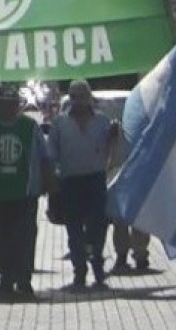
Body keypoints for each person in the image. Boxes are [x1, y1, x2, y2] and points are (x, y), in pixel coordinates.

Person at [0, 84, 50, 298]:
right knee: (2, 239)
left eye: (12, 104)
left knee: (24, 238)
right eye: (3, 104)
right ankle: (6, 280)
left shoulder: (30, 127)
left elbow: (45, 157)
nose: (7, 108)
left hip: (25, 193)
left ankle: (24, 281)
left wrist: (48, 183)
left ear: (18, 105)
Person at [48, 79, 119, 289]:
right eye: (73, 96)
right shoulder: (60, 123)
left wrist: (114, 135)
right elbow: (52, 155)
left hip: (95, 180)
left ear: (89, 97)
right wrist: (52, 183)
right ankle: (80, 270)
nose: (78, 100)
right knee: (74, 230)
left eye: (81, 95)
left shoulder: (103, 122)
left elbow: (114, 149)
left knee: (97, 227)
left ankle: (97, 263)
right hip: (70, 182)